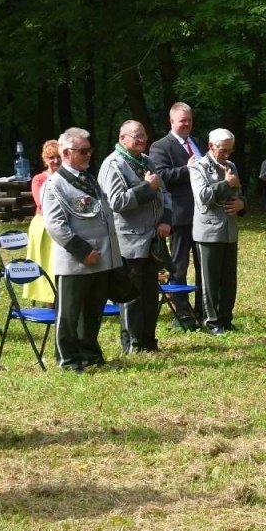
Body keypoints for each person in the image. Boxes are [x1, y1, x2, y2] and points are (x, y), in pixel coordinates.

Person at [42, 128, 123, 371]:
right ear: (66, 153)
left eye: (89, 150)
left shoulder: (88, 178)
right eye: (83, 151)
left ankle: (90, 354)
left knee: (92, 312)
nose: (88, 155)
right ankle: (68, 359)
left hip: (101, 258)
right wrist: (83, 251)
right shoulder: (55, 184)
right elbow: (55, 224)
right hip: (76, 261)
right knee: (68, 315)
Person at [99, 120, 172, 353]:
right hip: (128, 241)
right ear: (122, 139)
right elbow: (117, 202)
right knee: (131, 295)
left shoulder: (147, 161)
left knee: (150, 293)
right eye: (136, 136)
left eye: (144, 135)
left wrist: (166, 219)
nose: (142, 140)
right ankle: (133, 345)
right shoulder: (113, 164)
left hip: (152, 238)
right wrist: (146, 188)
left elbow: (165, 193)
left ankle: (149, 341)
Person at [149, 103, 203, 330]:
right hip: (179, 217)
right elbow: (159, 177)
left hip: (203, 216)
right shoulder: (161, 146)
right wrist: (186, 169)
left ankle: (202, 309)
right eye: (182, 120)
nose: (187, 124)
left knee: (203, 266)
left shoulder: (198, 143)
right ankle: (181, 312)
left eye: (189, 120)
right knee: (179, 266)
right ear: (171, 121)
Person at [191, 129, 244, 334]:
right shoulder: (198, 167)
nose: (227, 155)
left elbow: (239, 194)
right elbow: (203, 197)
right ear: (211, 146)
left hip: (229, 230)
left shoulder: (231, 166)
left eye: (230, 151)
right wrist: (226, 184)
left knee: (229, 280)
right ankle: (211, 322)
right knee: (210, 280)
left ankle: (225, 319)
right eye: (223, 150)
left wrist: (242, 204)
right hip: (209, 231)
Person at [21, 140, 61, 305]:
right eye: (51, 157)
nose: (56, 161)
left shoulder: (71, 177)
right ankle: (48, 301)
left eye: (59, 157)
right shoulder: (38, 179)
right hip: (44, 226)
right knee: (45, 263)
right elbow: (42, 203)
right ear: (45, 160)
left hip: (65, 225)